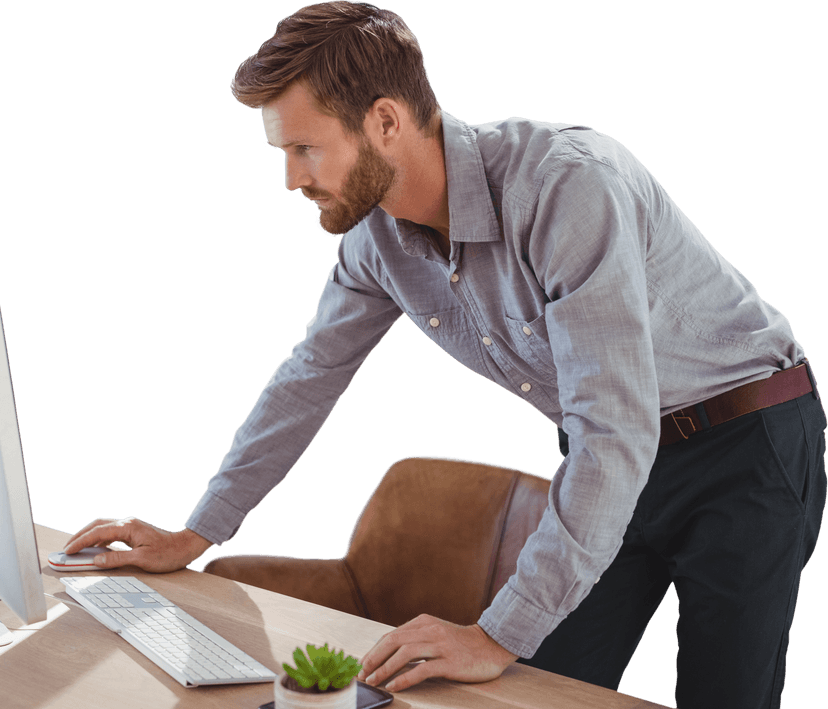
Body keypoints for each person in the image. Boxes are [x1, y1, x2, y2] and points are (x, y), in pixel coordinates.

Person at [65, 2, 825, 706]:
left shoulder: (566, 188)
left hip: (745, 443)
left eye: (304, 149)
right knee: (530, 690)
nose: (292, 177)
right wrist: (196, 532)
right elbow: (308, 378)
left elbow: (614, 429)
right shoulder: (377, 241)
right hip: (615, 452)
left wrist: (494, 633)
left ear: (386, 121)